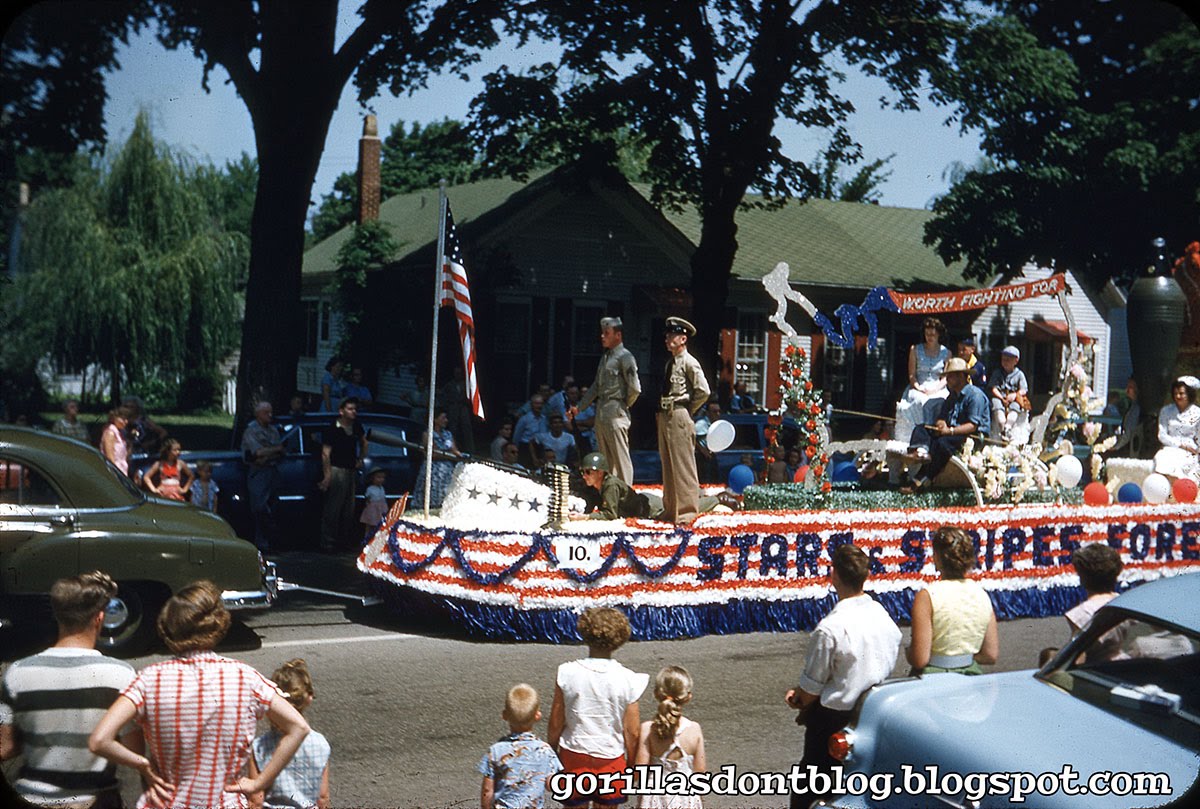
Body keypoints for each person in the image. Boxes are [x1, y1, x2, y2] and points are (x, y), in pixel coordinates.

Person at [88, 581, 311, 809]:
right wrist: (259, 783)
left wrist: (143, 765)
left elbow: (99, 740)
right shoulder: (246, 677)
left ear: (169, 626)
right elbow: (298, 728)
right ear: (218, 624)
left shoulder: (148, 679)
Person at [1, 571, 140, 809]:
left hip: (32, 797)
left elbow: (6, 747)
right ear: (99, 618)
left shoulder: (17, 672)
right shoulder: (122, 675)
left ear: (57, 615)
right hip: (96, 799)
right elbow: (133, 749)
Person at [784, 544, 900, 807]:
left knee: (810, 787)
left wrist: (796, 698)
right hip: (874, 711)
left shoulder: (830, 628)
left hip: (834, 719)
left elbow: (811, 690)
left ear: (834, 575)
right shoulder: (883, 616)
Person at [549, 607, 648, 809]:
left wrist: (551, 750)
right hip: (611, 756)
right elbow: (632, 730)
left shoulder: (567, 672)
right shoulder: (628, 679)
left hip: (573, 752)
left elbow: (556, 720)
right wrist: (632, 762)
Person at [906, 526, 999, 675]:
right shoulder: (981, 594)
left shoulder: (927, 596)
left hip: (933, 677)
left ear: (937, 557)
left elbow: (920, 659)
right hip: (971, 675)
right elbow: (990, 654)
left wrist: (909, 652)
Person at [250, 659, 332, 809]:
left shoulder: (259, 747)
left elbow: (256, 801)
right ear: (308, 699)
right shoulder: (320, 743)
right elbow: (322, 797)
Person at [902, 357, 990, 492]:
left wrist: (950, 431)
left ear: (961, 376)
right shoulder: (952, 397)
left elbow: (973, 425)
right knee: (922, 428)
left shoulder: (975, 395)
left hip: (972, 437)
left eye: (950, 376)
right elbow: (941, 417)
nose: (947, 379)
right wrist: (941, 424)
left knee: (942, 444)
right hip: (950, 433)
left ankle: (922, 478)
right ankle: (920, 452)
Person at [571, 317, 642, 485]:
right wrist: (579, 408)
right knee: (606, 459)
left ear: (618, 335)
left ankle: (625, 495)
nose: (602, 336)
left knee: (620, 458)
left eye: (607, 333)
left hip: (615, 409)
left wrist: (623, 405)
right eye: (602, 333)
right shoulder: (606, 358)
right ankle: (611, 496)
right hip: (602, 410)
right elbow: (596, 386)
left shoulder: (625, 357)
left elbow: (635, 388)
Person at [658, 317, 711, 525]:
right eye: (667, 335)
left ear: (683, 338)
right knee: (668, 464)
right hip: (665, 414)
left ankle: (687, 513)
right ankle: (671, 510)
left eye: (672, 335)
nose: (667, 338)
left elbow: (703, 391)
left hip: (679, 413)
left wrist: (689, 409)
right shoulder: (670, 363)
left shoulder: (690, 362)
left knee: (683, 465)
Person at [478, 684, 561, 809]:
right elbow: (551, 785)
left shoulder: (496, 751)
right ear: (537, 716)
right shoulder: (545, 751)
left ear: (505, 715)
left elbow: (487, 790)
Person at [634, 666, 706, 809]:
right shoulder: (694, 729)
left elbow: (639, 771)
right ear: (688, 697)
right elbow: (701, 773)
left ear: (656, 694)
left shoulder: (648, 729)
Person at [318, 397, 368, 551]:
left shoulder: (356, 426)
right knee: (333, 508)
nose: (353, 412)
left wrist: (361, 458)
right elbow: (325, 453)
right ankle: (327, 542)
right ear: (341, 411)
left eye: (355, 409)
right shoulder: (333, 427)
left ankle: (343, 542)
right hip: (336, 469)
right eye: (350, 409)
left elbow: (364, 442)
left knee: (349, 509)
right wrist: (327, 476)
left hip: (350, 470)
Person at [893, 317, 950, 445]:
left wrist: (935, 389)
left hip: (938, 387)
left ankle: (936, 438)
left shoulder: (946, 352)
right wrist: (918, 387)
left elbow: (945, 378)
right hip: (919, 385)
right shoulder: (915, 349)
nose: (929, 337)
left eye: (933, 334)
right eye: (927, 334)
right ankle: (916, 440)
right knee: (919, 400)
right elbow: (912, 375)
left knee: (942, 402)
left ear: (938, 334)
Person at [242, 401, 286, 553]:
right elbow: (257, 453)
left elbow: (281, 449)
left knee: (273, 506)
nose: (270, 415)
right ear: (258, 414)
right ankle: (261, 542)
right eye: (266, 413)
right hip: (258, 472)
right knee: (259, 507)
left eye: (271, 412)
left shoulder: (273, 430)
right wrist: (272, 451)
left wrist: (269, 452)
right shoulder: (251, 430)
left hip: (272, 471)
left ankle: (271, 541)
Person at [569, 452, 654, 521]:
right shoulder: (595, 486)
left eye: (588, 472)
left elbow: (610, 514)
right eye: (582, 472)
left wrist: (584, 517)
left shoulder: (611, 485)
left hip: (651, 510)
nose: (584, 476)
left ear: (600, 473)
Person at [412, 408, 463, 509]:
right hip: (433, 470)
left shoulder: (448, 434)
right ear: (435, 419)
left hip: (447, 470)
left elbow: (455, 451)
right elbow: (433, 453)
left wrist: (452, 454)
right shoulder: (427, 434)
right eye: (443, 418)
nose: (446, 420)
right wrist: (448, 454)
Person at [1153, 376, 1200, 481]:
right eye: (1175, 394)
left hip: (1190, 450)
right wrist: (1180, 445)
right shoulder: (1166, 411)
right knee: (1161, 460)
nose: (1178, 396)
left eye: (1182, 393)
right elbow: (1162, 435)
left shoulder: (1197, 413)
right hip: (1170, 447)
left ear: (1189, 394)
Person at [989, 346, 1029, 442]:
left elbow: (1024, 389)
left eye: (1008, 360)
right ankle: (1002, 426)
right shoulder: (997, 373)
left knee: (1017, 405)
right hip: (1001, 397)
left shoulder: (1019, 374)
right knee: (995, 403)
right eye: (1003, 359)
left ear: (1016, 361)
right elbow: (993, 388)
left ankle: (1008, 427)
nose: (1005, 362)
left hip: (1013, 398)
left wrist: (1014, 395)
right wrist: (1001, 398)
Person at [513, 393, 549, 468]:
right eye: (536, 404)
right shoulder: (524, 419)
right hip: (525, 449)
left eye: (541, 404)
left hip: (540, 449)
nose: (539, 406)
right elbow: (517, 436)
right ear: (531, 405)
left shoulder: (544, 419)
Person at [693, 400, 722, 484]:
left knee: (715, 481)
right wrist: (702, 450)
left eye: (719, 411)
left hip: (713, 455)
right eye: (714, 412)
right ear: (708, 413)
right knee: (704, 481)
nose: (717, 414)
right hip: (702, 457)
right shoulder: (701, 424)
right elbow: (691, 437)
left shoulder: (718, 425)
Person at [101, 406, 132, 477]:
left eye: (127, 419)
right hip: (114, 472)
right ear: (114, 418)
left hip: (122, 470)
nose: (126, 422)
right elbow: (110, 458)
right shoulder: (110, 433)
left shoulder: (121, 432)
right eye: (123, 419)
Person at [360, 468, 389, 541]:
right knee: (370, 524)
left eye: (382, 478)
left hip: (381, 508)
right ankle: (367, 539)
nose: (381, 480)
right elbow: (367, 498)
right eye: (378, 477)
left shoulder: (382, 488)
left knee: (380, 524)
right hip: (372, 509)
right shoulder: (370, 489)